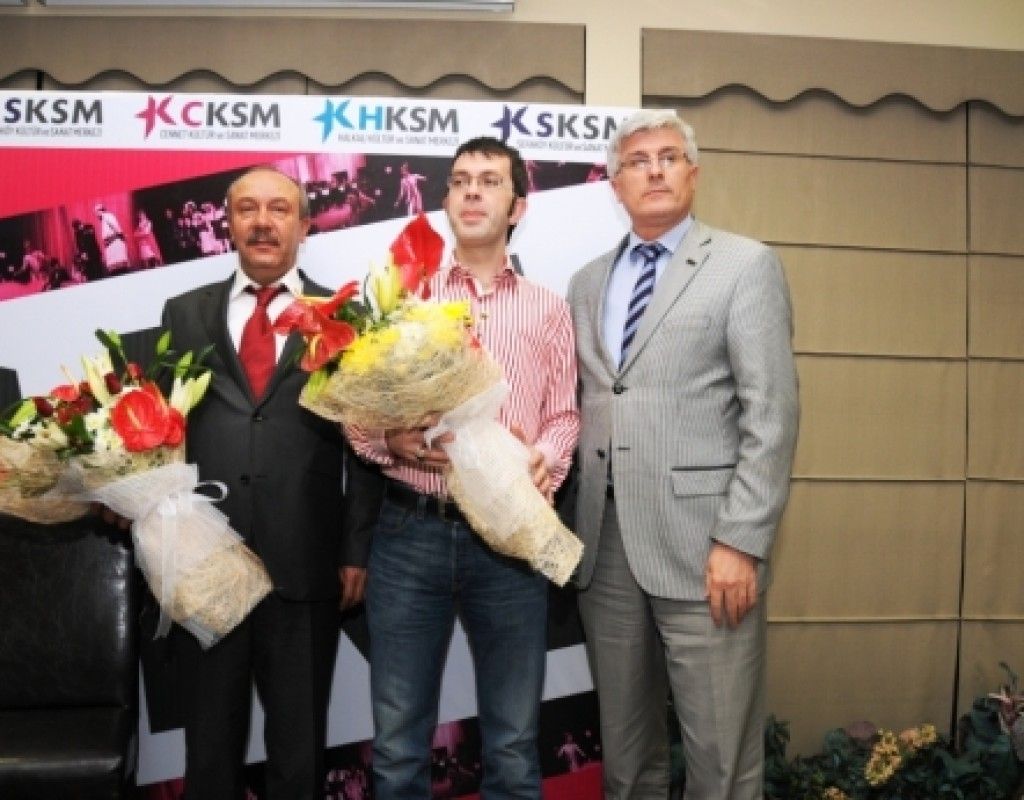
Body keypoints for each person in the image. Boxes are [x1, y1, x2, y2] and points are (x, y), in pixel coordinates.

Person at [566, 109, 799, 800]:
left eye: (669, 157)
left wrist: (740, 540)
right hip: (604, 547)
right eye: (637, 162)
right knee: (627, 759)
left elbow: (771, 414)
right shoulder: (585, 282)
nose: (655, 171)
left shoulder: (744, 265)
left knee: (719, 758)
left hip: (707, 550)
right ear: (615, 185)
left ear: (693, 173)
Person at [347, 137, 580, 800]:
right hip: (409, 535)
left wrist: (545, 460)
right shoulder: (400, 299)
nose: (472, 190)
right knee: (397, 746)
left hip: (510, 538)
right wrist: (389, 438)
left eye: (490, 180)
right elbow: (355, 417)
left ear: (517, 206)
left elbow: (564, 416)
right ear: (446, 200)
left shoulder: (548, 307)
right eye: (460, 180)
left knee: (512, 743)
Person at [159, 166, 383, 800]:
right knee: (209, 753)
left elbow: (367, 441)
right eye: (248, 209)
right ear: (227, 224)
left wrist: (355, 550)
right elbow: (162, 430)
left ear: (304, 225)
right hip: (206, 565)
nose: (263, 222)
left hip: (306, 563)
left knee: (298, 755)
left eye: (279, 209)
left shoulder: (345, 316)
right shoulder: (184, 312)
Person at [94, 203, 130, 274]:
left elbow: (116, 227)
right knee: (115, 267)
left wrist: (121, 235)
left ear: (100, 211)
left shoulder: (107, 216)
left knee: (120, 267)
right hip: (110, 244)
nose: (96, 215)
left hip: (115, 243)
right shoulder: (104, 219)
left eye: (96, 212)